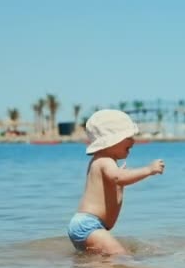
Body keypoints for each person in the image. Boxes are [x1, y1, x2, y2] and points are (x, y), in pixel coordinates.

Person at [67, 109, 165, 255]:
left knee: (99, 264)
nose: (133, 141)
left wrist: (119, 187)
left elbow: (116, 187)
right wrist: (148, 170)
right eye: (128, 137)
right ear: (111, 140)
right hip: (89, 226)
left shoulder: (103, 162)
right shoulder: (105, 161)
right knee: (121, 256)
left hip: (90, 225)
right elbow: (119, 177)